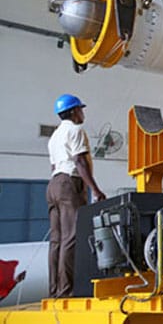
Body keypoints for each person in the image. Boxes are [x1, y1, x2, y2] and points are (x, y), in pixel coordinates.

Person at [48, 94, 106, 298]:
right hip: (69, 183)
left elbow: (54, 166)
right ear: (74, 111)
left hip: (53, 185)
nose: (82, 113)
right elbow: (79, 162)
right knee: (71, 237)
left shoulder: (55, 136)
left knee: (56, 240)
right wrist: (95, 190)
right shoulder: (75, 130)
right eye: (81, 109)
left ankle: (55, 289)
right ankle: (67, 290)